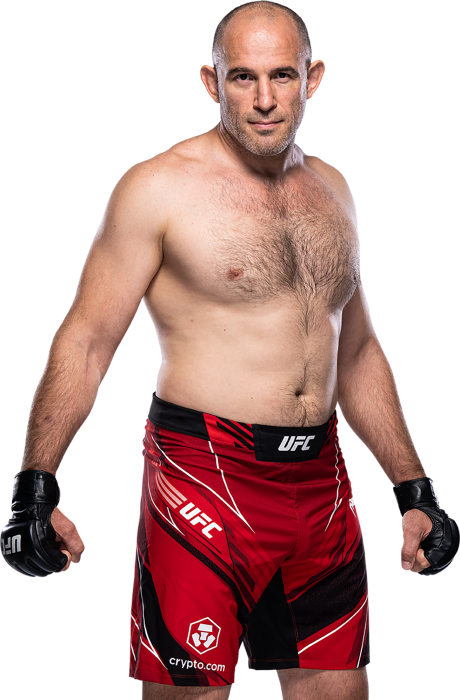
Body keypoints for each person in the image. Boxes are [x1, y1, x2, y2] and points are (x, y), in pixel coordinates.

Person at [2, 2, 458, 699]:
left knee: (339, 689)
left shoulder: (333, 189)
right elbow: (87, 339)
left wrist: (414, 489)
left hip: (322, 485)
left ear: (314, 77)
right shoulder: (158, 187)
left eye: (282, 75)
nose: (265, 99)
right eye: (243, 77)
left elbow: (359, 351)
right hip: (203, 477)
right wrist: (36, 487)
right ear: (212, 82)